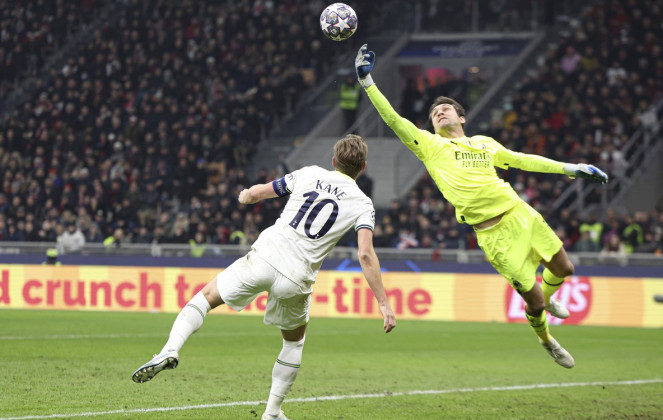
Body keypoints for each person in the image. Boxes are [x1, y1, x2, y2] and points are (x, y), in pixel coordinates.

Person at [355, 44, 608, 369]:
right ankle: (547, 340)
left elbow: (521, 160)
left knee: (565, 269)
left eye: (446, 109)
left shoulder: (484, 143)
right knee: (532, 301)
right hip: (494, 234)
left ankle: (549, 299)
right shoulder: (430, 146)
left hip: (521, 213)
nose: (439, 113)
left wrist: (571, 167)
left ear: (462, 117)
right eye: (435, 113)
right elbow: (392, 118)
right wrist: (367, 82)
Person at [132, 134, 396, 420]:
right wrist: (383, 303)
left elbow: (258, 193)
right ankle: (271, 412)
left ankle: (170, 349)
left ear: (333, 161)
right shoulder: (363, 203)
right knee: (293, 342)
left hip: (266, 255)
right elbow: (366, 255)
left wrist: (244, 195)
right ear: (363, 168)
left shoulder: (309, 173)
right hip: (298, 277)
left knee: (206, 298)